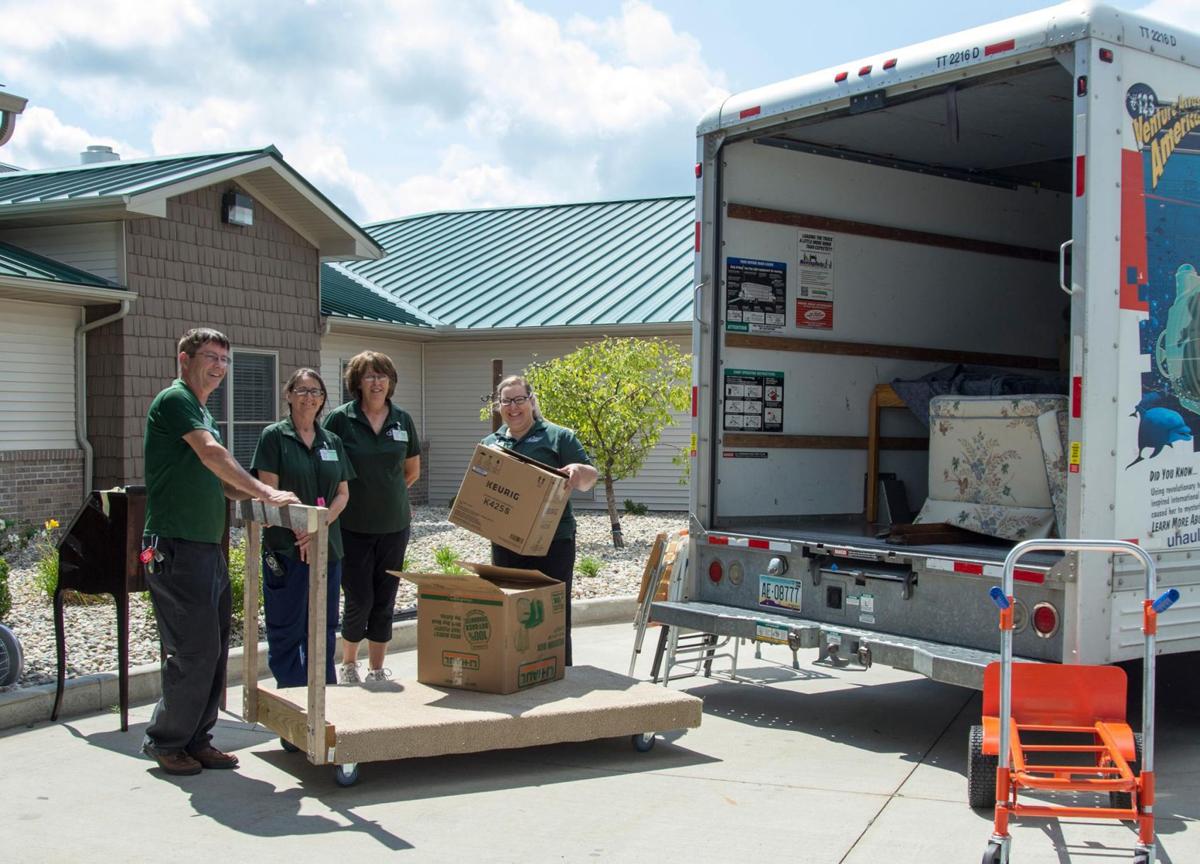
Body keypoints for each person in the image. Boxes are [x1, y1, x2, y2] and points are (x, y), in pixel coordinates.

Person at [141, 328, 299, 776]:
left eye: (224, 361)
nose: (219, 367)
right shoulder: (175, 401)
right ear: (184, 358)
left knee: (210, 649)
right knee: (192, 650)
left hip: (207, 545)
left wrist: (258, 498)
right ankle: (165, 740)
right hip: (175, 545)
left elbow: (222, 481)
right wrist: (266, 490)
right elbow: (211, 454)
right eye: (210, 357)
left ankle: (197, 739)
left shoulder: (202, 411)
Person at [482, 374, 597, 666]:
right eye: (506, 401)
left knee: (553, 613)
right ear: (498, 406)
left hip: (553, 541)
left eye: (520, 399)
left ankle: (559, 673)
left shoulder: (558, 437)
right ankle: (515, 670)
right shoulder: (491, 445)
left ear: (531, 402)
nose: (513, 407)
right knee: (512, 610)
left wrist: (578, 472)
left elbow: (590, 479)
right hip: (506, 542)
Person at [250, 368, 353, 689]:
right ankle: (292, 700)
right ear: (289, 395)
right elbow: (271, 494)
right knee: (287, 627)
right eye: (303, 391)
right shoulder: (274, 437)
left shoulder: (332, 440)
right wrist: (302, 530)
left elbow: (343, 493)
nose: (310, 398)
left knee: (322, 627)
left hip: (327, 547)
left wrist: (318, 527)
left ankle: (324, 695)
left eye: (316, 392)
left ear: (323, 399)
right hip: (287, 549)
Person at [323, 351, 421, 683]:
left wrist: (386, 493)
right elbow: (327, 468)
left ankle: (377, 669)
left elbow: (412, 470)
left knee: (385, 597)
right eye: (369, 376)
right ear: (357, 382)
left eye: (382, 376)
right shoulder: (340, 419)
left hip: (395, 526)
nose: (376, 382)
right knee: (359, 597)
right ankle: (349, 664)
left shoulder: (402, 420)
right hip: (352, 526)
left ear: (390, 381)